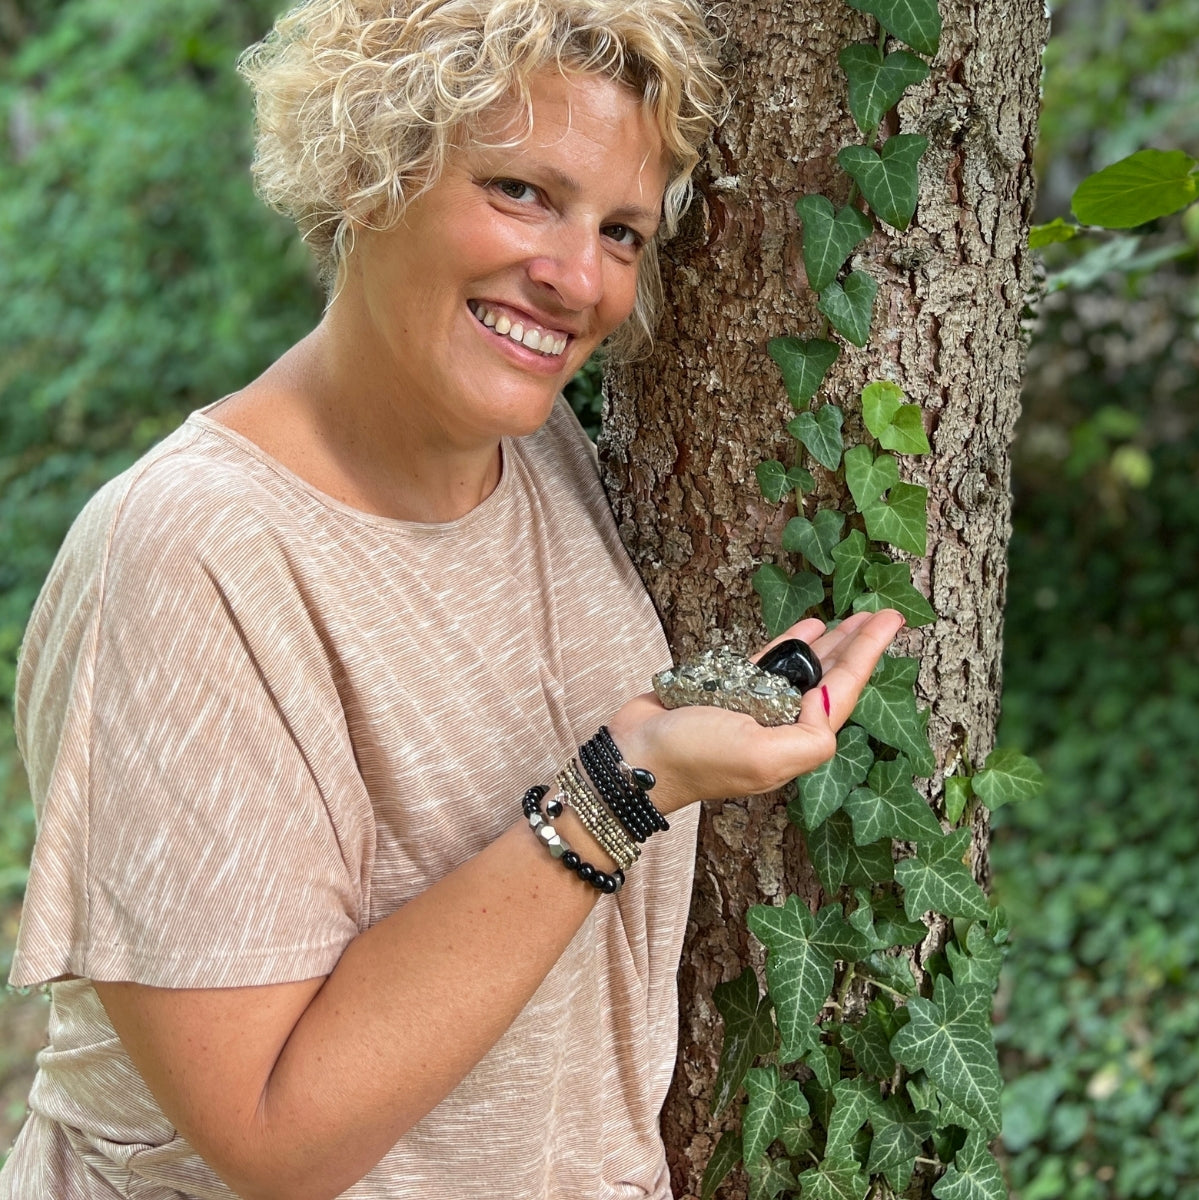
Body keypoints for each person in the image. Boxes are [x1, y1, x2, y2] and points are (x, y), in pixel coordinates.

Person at [0, 1, 905, 1197]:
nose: (580, 277)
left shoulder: (533, 448)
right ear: (372, 165)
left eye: (623, 231)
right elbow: (272, 1136)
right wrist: (626, 788)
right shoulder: (183, 559)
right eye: (523, 190)